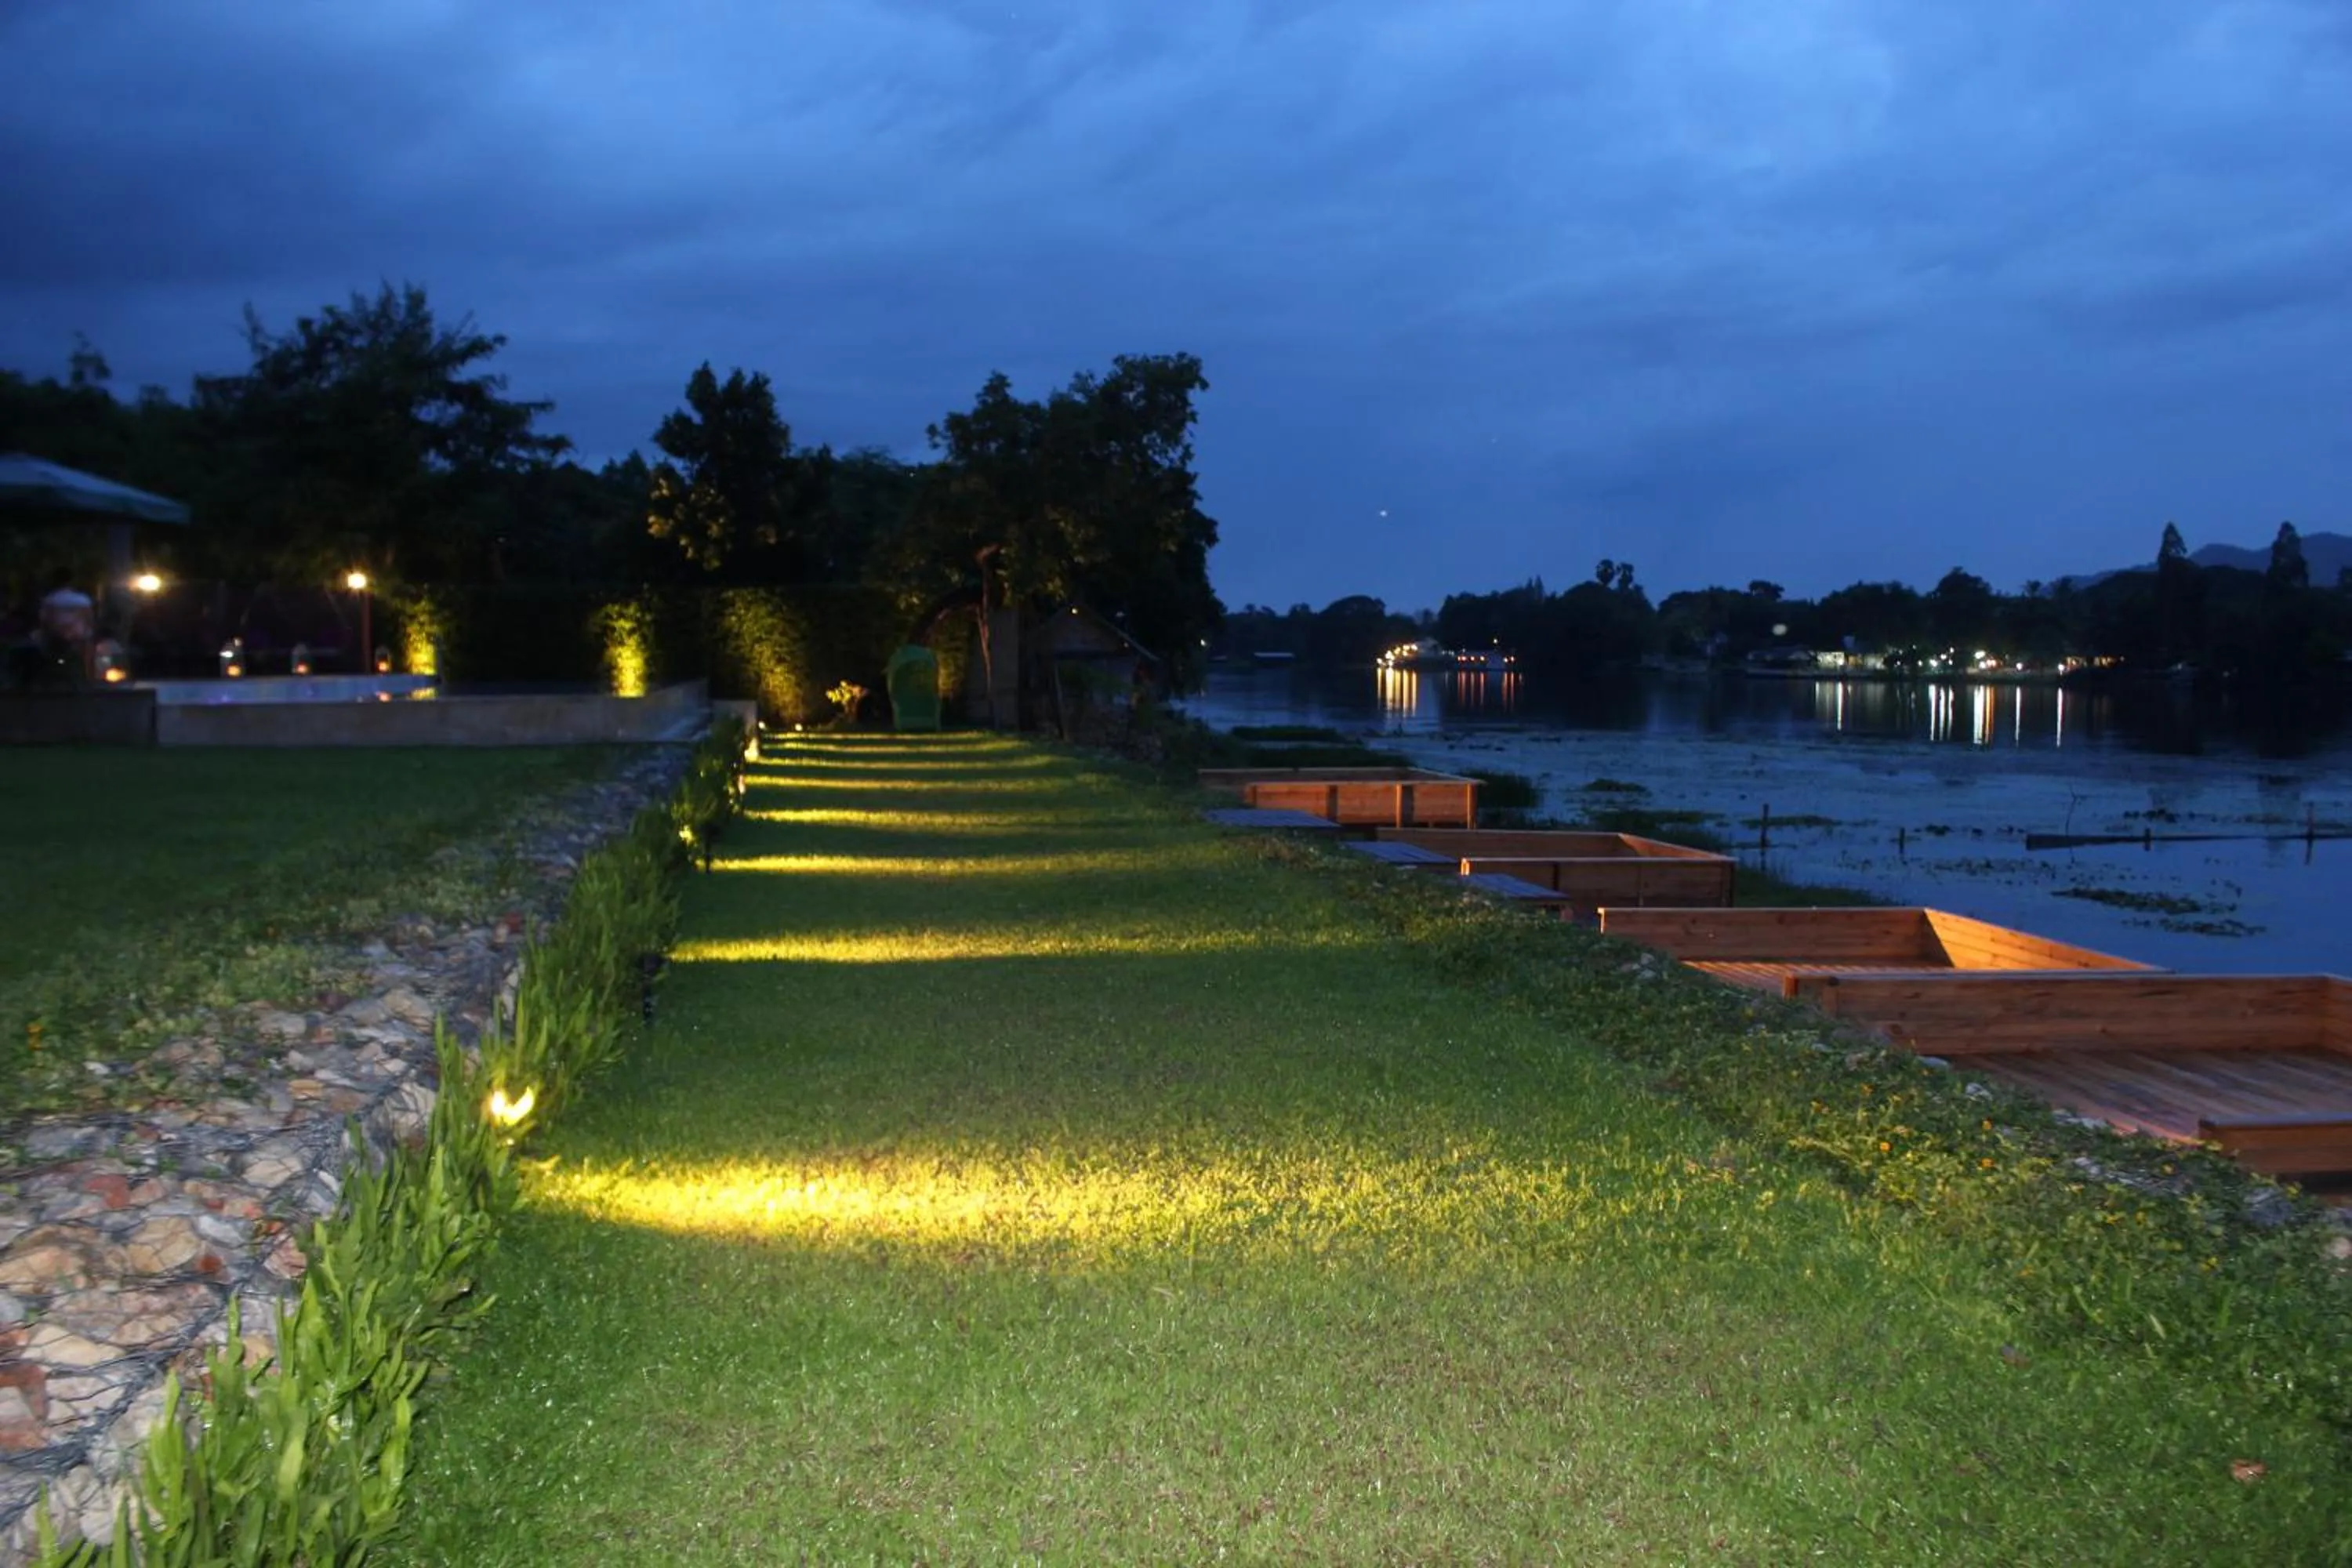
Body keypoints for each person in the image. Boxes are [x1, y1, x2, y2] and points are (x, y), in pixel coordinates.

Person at [38, 569, 95, 683]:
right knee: (88, 651)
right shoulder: (82, 599)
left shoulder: (51, 599)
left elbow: (45, 620)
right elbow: (89, 619)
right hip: (79, 635)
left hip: (56, 635)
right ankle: (88, 676)